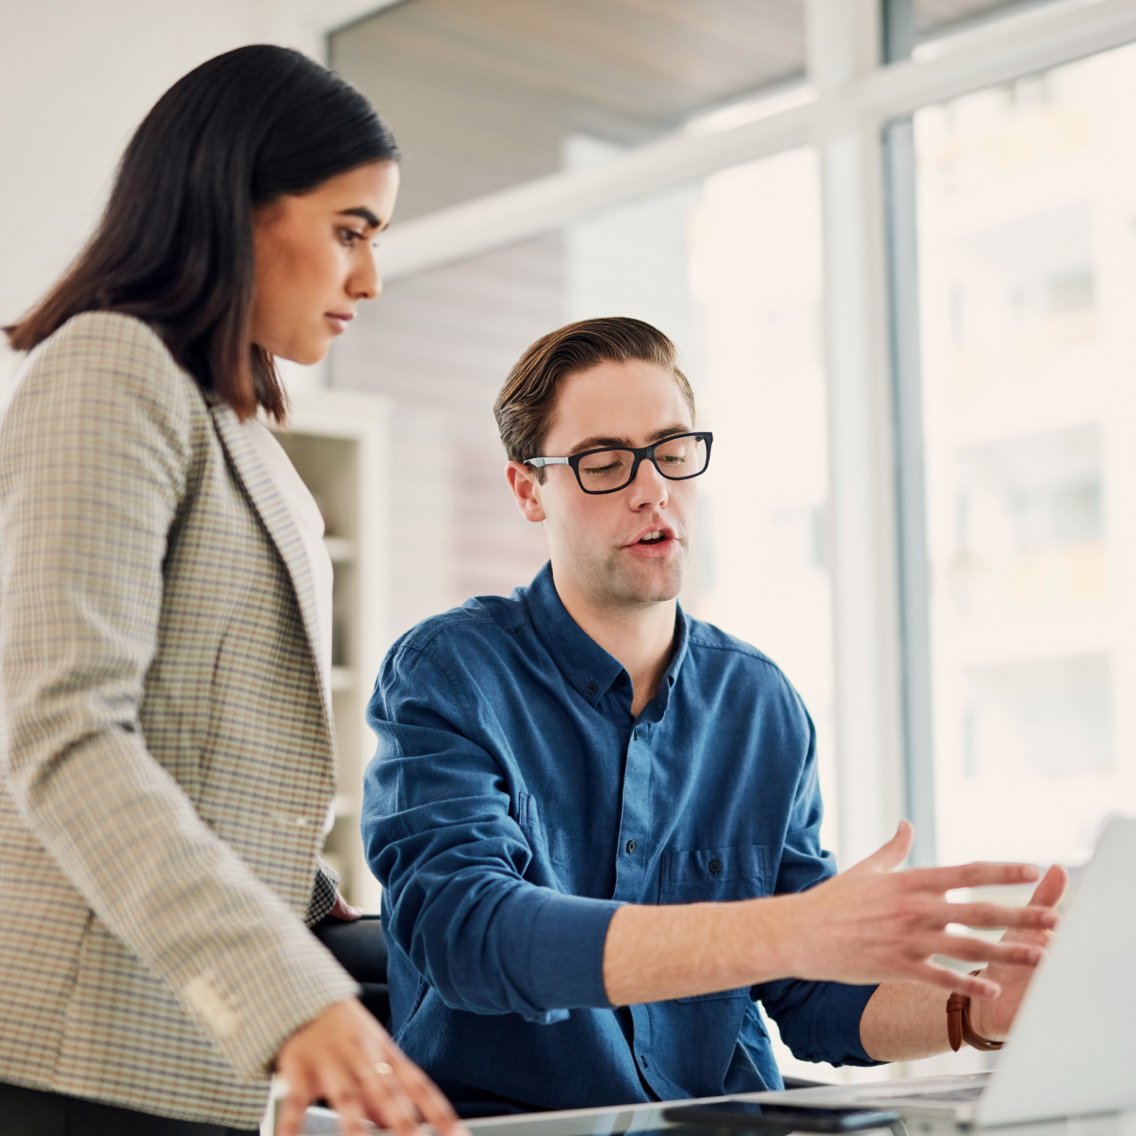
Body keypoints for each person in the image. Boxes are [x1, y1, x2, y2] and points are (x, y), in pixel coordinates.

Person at [361, 316, 1068, 1118]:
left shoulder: (759, 703)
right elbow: (468, 935)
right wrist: (786, 929)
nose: (651, 488)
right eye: (603, 462)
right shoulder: (450, 673)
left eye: (670, 451)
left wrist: (975, 1009)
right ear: (529, 490)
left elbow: (810, 995)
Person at [0, 44, 461, 1136]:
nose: (369, 278)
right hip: (73, 1052)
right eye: (349, 229)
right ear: (236, 205)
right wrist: (284, 991)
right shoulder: (109, 367)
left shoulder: (237, 426)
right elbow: (62, 733)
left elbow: (214, 760)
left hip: (180, 1051)